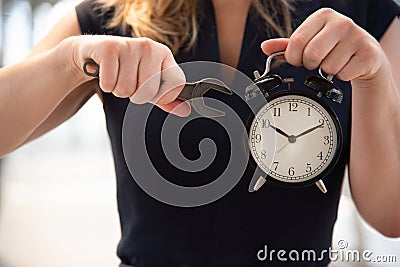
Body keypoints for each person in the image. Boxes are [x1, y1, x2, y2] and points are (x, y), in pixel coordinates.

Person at [0, 0, 399, 266]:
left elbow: (391, 215)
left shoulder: (366, 17)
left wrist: (374, 76)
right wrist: (70, 61)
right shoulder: (110, 16)